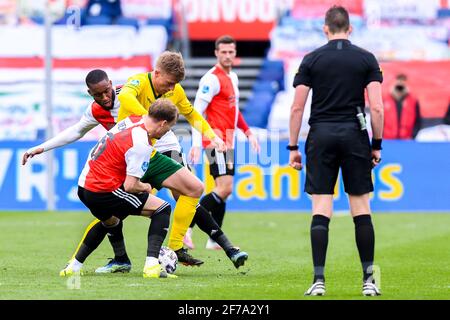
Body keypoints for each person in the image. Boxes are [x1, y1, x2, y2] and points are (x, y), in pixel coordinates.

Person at [23, 68, 248, 275]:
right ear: (89, 93)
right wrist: (42, 147)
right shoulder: (94, 110)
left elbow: (156, 99)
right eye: (97, 94)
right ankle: (119, 259)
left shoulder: (128, 92)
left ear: (111, 84)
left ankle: (219, 246)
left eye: (106, 91)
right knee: (111, 213)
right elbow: (76, 131)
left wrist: (205, 136)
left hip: (162, 150)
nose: (104, 97)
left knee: (188, 192)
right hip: (131, 159)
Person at [288, 6, 384, 296]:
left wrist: (293, 146)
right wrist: (376, 144)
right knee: (361, 209)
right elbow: (377, 107)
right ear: (350, 29)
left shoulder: (312, 59)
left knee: (321, 208)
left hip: (321, 135)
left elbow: (296, 107)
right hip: (354, 134)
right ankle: (369, 281)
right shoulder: (366, 58)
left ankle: (318, 281)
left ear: (325, 28)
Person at [69, 98, 178, 279]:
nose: (167, 132)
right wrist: (147, 186)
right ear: (163, 123)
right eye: (168, 128)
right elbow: (130, 185)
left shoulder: (132, 119)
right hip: (104, 189)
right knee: (162, 208)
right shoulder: (142, 143)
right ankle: (152, 267)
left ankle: (73, 266)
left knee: (111, 221)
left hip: (84, 186)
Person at [186, 35, 260, 250]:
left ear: (235, 53)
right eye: (223, 52)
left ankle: (213, 238)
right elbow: (196, 113)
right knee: (225, 188)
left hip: (228, 142)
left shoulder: (233, 78)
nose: (227, 55)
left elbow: (234, 111)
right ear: (216, 53)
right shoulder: (211, 79)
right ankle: (186, 229)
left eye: (231, 52)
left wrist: (248, 132)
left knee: (222, 190)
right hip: (215, 141)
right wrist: (197, 143)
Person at [383, 73, 422, 139]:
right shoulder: (385, 100)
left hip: (406, 139)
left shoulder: (413, 100)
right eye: (399, 81)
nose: (400, 84)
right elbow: (379, 119)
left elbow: (418, 121)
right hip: (388, 139)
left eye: (403, 81)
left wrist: (412, 136)